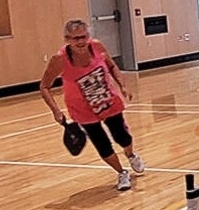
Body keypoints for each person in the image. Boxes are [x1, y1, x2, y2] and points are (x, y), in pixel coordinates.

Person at [40, 20, 145, 191]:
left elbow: (111, 66)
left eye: (84, 37)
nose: (81, 42)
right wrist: (56, 111)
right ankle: (121, 172)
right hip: (82, 110)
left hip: (108, 101)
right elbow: (44, 86)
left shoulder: (97, 47)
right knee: (102, 144)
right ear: (67, 39)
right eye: (76, 39)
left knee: (122, 136)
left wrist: (123, 86)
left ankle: (131, 154)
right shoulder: (59, 59)